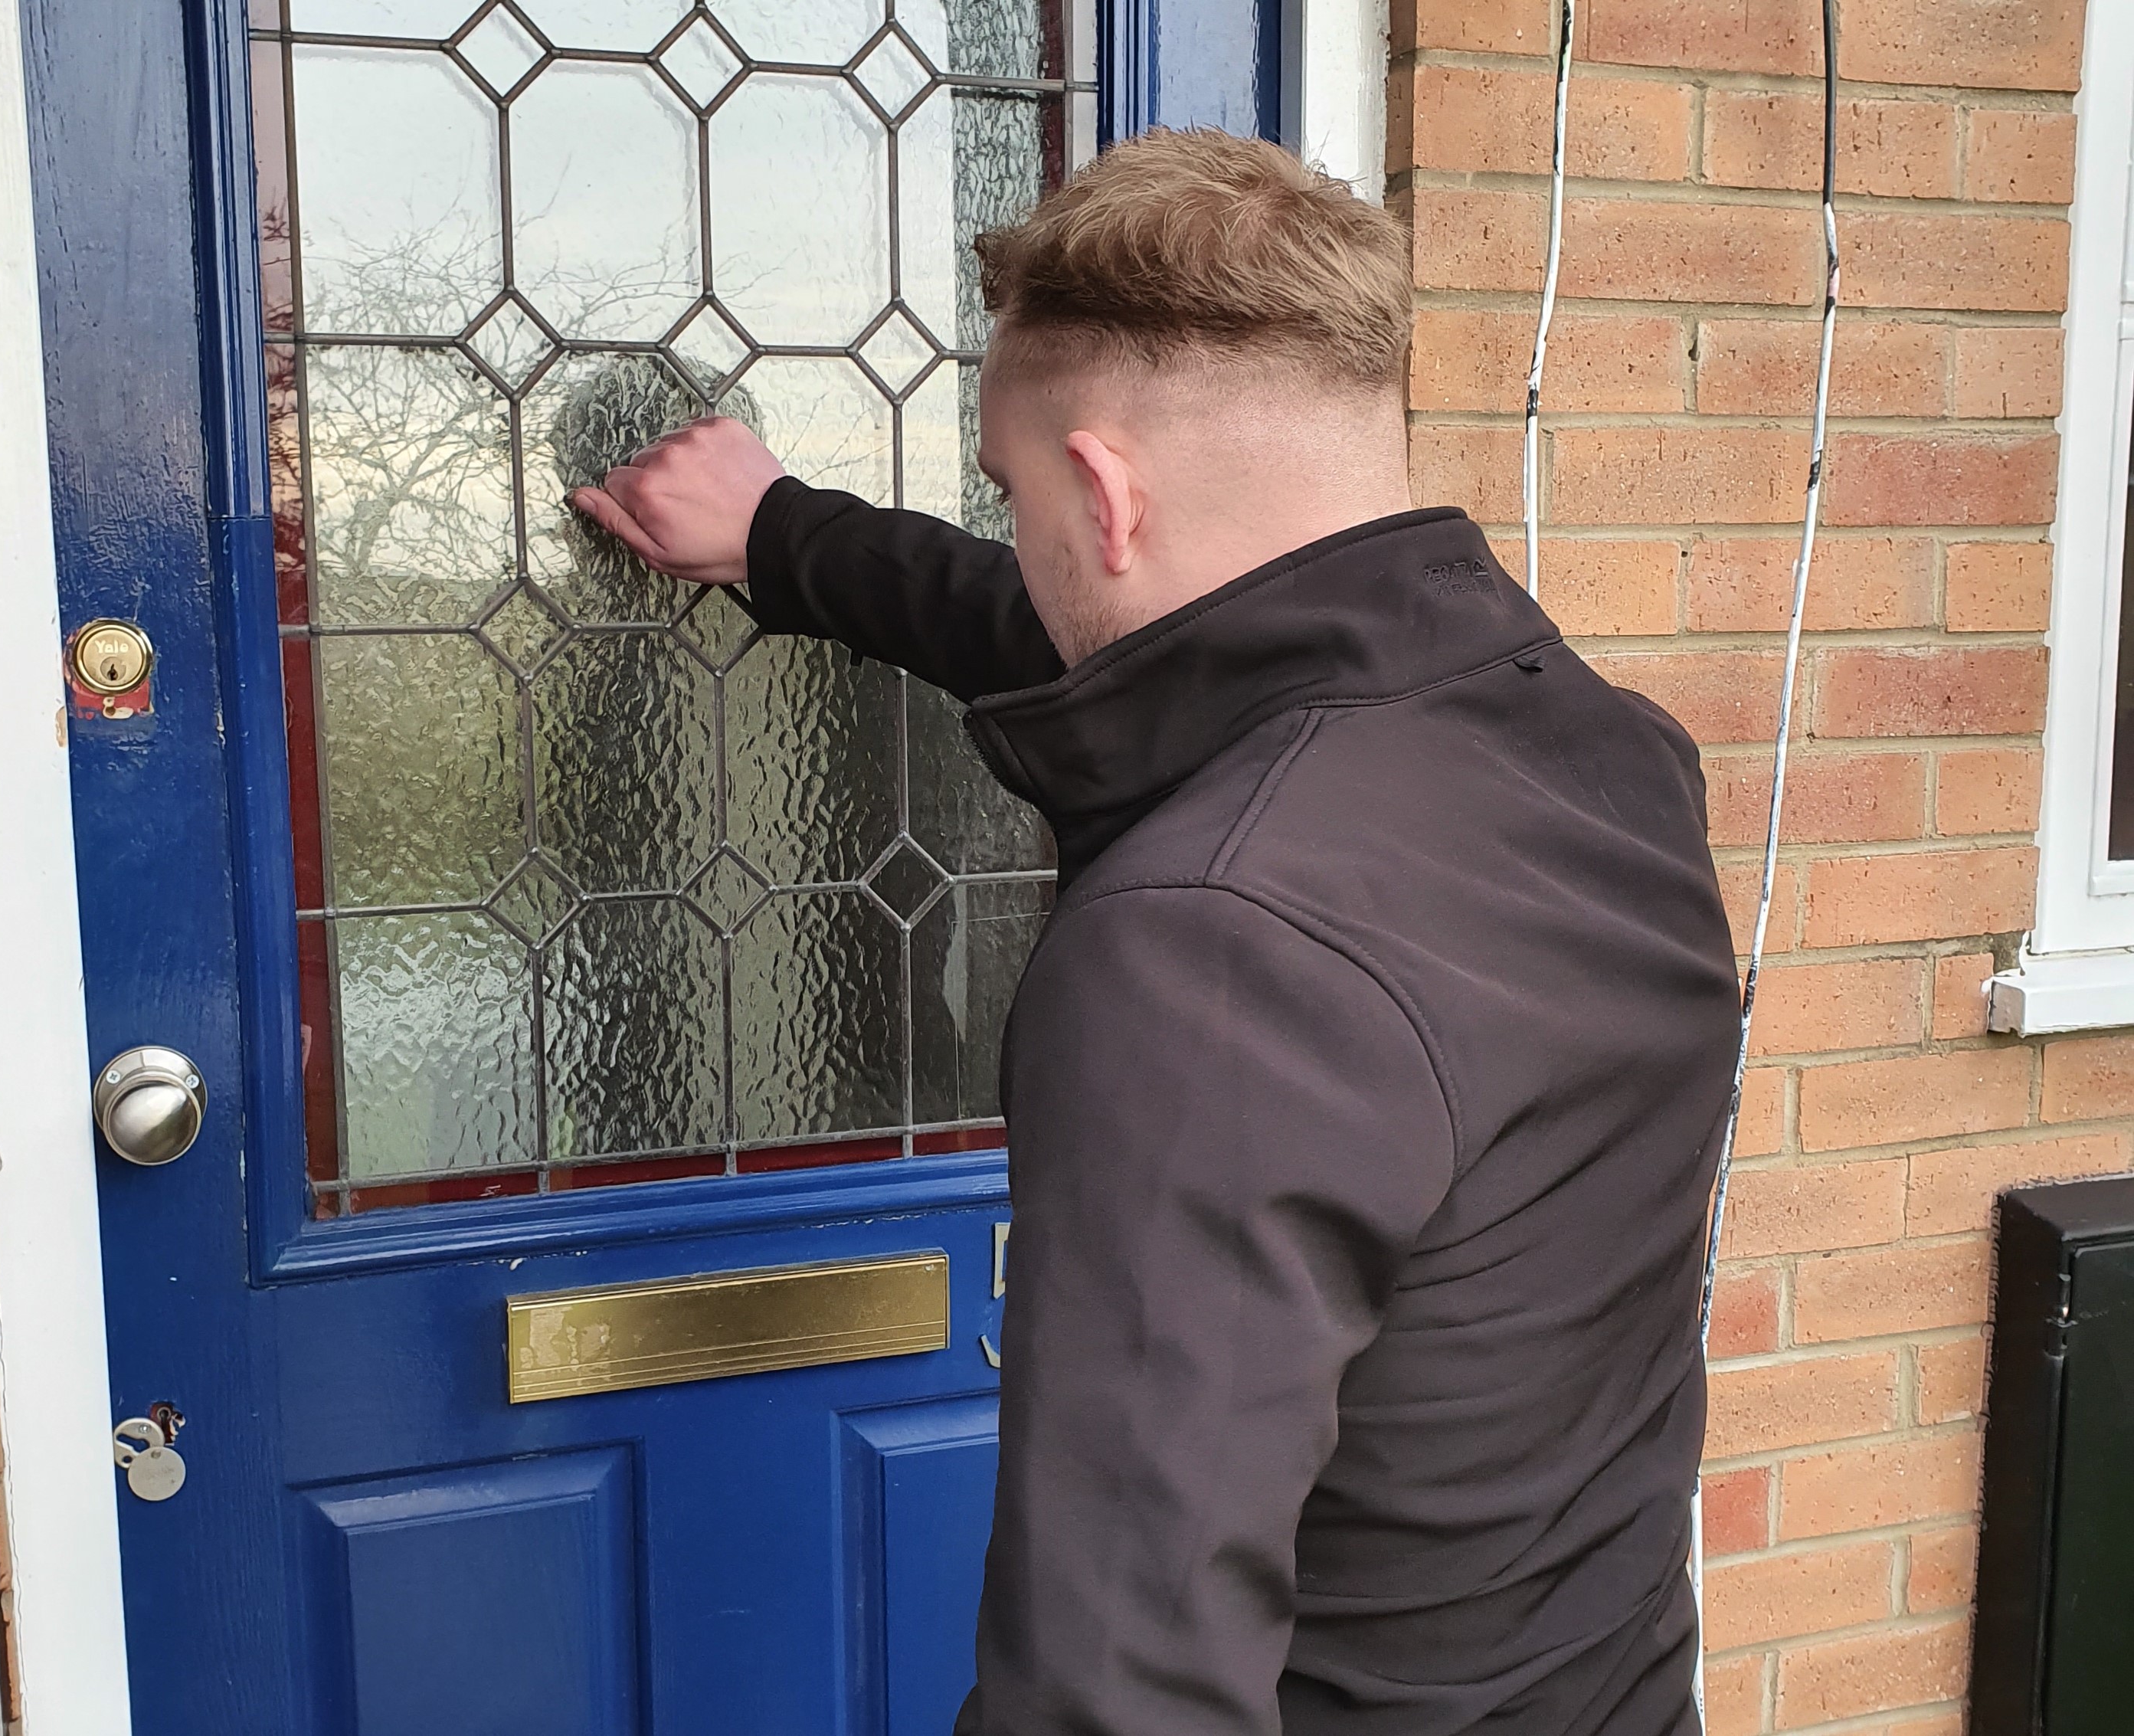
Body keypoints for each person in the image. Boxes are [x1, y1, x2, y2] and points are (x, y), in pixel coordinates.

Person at [572, 129, 1736, 1736]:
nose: (1017, 537)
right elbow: (1112, 639)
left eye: (1012, 492)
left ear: (1107, 495)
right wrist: (786, 532)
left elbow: (1122, 1680)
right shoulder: (1610, 758)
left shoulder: (1208, 944)